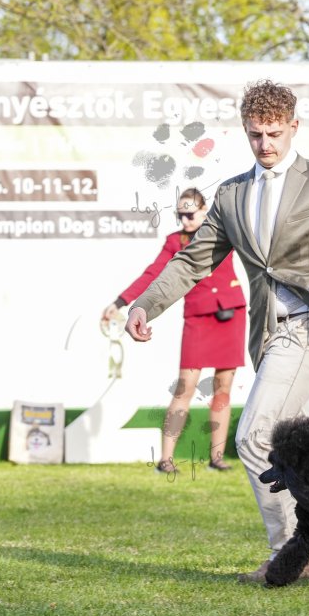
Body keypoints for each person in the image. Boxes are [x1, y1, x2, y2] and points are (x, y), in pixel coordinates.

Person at [125, 79, 309, 583]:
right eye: (255, 134)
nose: (264, 144)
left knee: (254, 437)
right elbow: (192, 262)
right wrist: (145, 304)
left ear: (293, 127)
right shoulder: (231, 194)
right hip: (269, 335)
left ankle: (290, 554)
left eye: (274, 133)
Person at [102, 188, 246, 473]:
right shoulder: (175, 241)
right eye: (180, 214)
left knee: (223, 388)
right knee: (185, 388)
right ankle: (165, 459)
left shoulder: (224, 230)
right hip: (197, 317)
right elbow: (153, 273)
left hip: (231, 313)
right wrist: (121, 302)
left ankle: (217, 458)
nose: (185, 219)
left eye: (190, 213)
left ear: (204, 211)